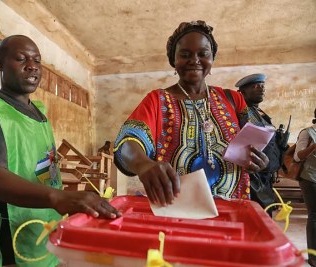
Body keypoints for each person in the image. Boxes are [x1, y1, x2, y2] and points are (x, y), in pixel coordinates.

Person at [0, 35, 121, 267]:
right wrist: (57, 197)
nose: (32, 66)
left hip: (43, 222)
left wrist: (68, 202)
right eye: (21, 59)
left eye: (37, 61)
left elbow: (44, 164)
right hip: (8, 234)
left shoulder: (38, 111)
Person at [113, 20, 269, 206]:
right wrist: (143, 164)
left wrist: (260, 162)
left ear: (212, 59)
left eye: (203, 54)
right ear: (174, 60)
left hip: (232, 209)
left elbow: (256, 143)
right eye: (185, 54)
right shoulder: (157, 100)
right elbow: (128, 142)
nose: (194, 60)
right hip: (176, 209)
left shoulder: (234, 99)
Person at [236, 74, 287, 214]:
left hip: (266, 176)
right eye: (255, 86)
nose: (261, 88)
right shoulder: (241, 112)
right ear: (243, 92)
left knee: (265, 215)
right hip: (252, 178)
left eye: (263, 86)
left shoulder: (260, 114)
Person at [294, 108, 316, 266]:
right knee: (314, 215)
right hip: (310, 178)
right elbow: (297, 156)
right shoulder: (308, 132)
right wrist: (313, 147)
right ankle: (313, 256)